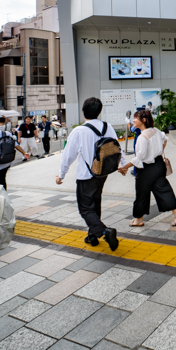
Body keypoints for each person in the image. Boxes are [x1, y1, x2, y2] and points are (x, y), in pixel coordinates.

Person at [56, 97, 122, 250]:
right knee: (95, 202)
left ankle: (105, 232)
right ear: (99, 111)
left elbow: (68, 156)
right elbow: (117, 147)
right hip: (102, 173)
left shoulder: (79, 131)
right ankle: (92, 235)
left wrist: (61, 175)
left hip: (86, 175)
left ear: (83, 111)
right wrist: (122, 165)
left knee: (85, 208)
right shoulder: (107, 126)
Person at [118, 110, 176, 228]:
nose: (133, 120)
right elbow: (165, 139)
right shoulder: (156, 130)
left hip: (147, 168)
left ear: (143, 120)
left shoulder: (143, 137)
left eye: (135, 118)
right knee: (164, 190)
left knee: (141, 194)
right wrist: (159, 152)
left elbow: (140, 157)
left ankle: (138, 220)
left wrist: (124, 167)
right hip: (159, 164)